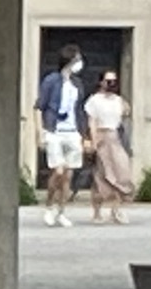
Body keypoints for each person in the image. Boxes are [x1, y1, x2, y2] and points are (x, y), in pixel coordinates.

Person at [37, 43, 91, 228]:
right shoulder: (52, 80)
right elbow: (40, 107)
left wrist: (85, 136)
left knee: (68, 176)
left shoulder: (77, 84)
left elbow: (80, 111)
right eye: (76, 59)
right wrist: (40, 132)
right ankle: (49, 205)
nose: (79, 63)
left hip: (72, 132)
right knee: (58, 171)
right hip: (55, 131)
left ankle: (61, 211)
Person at [85, 70, 134, 224]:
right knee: (101, 175)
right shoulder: (94, 100)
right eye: (108, 81)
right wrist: (93, 142)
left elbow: (126, 113)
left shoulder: (118, 100)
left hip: (115, 137)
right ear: (101, 82)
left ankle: (116, 209)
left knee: (121, 173)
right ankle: (97, 212)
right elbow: (91, 121)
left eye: (114, 81)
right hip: (101, 136)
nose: (111, 84)